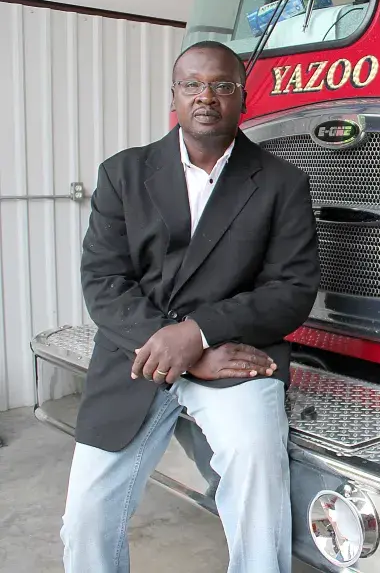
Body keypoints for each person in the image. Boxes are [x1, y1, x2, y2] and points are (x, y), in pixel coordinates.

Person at [60, 40, 320, 573]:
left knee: (257, 477)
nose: (206, 96)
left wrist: (198, 333)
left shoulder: (282, 183)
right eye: (192, 85)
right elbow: (103, 281)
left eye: (222, 85)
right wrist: (179, 347)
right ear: (174, 96)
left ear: (243, 97)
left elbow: (291, 290)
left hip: (236, 355)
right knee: (85, 518)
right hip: (137, 354)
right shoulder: (123, 174)